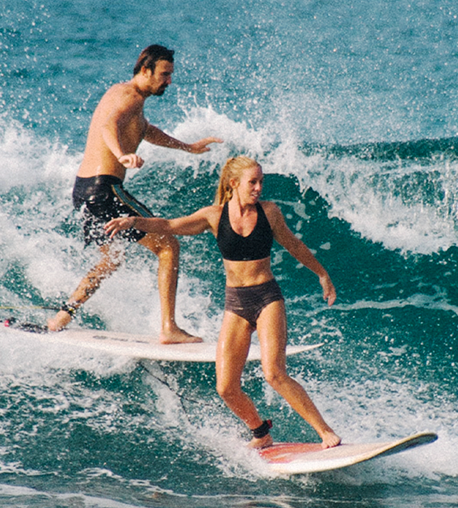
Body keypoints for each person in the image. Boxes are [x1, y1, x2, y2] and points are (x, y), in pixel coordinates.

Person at [104, 156, 341, 449]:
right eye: (252, 182)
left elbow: (292, 244)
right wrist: (134, 221)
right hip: (236, 304)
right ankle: (261, 433)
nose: (258, 188)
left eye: (261, 182)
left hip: (267, 297)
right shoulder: (214, 216)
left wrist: (322, 274)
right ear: (234, 184)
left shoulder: (270, 212)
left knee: (274, 373)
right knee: (226, 387)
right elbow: (170, 224)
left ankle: (325, 431)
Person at [47, 44, 222, 342]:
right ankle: (169, 328)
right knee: (168, 246)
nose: (169, 81)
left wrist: (188, 147)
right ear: (145, 70)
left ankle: (62, 315)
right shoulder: (128, 97)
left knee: (111, 259)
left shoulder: (127, 98)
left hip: (84, 191)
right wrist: (122, 155)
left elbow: (145, 130)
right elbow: (107, 126)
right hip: (105, 189)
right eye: (164, 75)